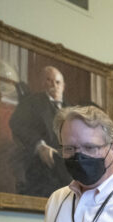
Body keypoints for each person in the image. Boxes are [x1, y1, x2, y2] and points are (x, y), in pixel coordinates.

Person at [9, 65, 72, 197]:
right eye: (49, 80)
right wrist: (39, 145)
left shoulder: (73, 110)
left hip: (68, 165)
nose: (54, 85)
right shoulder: (31, 102)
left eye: (58, 82)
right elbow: (17, 123)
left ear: (64, 86)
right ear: (43, 82)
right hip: (41, 162)